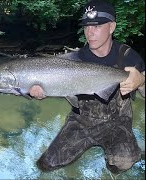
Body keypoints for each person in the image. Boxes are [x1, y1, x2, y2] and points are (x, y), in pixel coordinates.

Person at [29, 0, 145, 174]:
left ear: (112, 26)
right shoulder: (74, 59)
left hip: (118, 122)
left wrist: (141, 81)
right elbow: (49, 83)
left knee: (122, 163)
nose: (89, 32)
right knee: (46, 165)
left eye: (97, 26)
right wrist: (36, 91)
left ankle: (122, 154)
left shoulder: (128, 56)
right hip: (80, 121)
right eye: (86, 26)